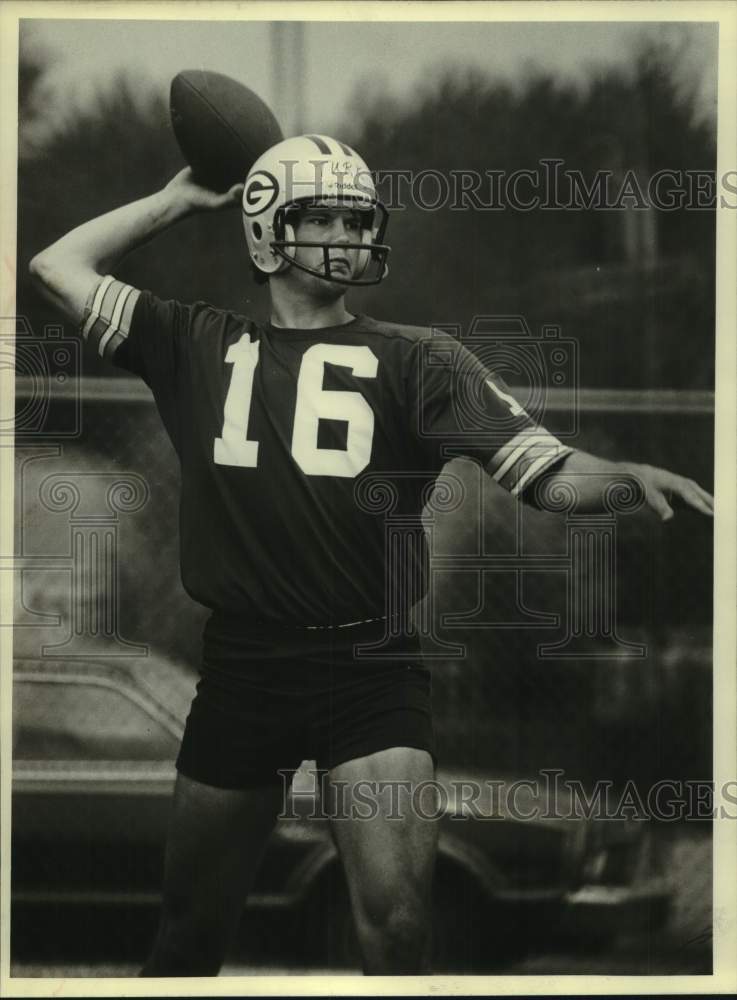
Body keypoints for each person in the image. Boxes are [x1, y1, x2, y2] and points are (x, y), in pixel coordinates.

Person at [29, 134, 714, 976]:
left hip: (370, 664)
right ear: (264, 232)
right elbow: (55, 266)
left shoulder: (421, 359)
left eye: (360, 220)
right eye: (325, 218)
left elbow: (545, 474)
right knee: (189, 934)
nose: (351, 237)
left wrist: (627, 479)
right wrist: (177, 200)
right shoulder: (193, 341)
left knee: (396, 932)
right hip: (244, 665)